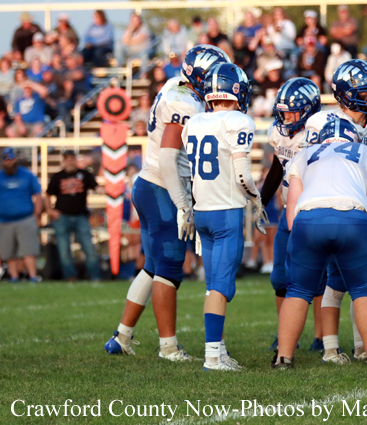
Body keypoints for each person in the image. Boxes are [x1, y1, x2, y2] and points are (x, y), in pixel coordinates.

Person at [103, 44, 229, 359]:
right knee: (169, 268)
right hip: (162, 187)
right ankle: (168, 347)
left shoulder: (175, 86)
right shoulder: (184, 103)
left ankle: (122, 337)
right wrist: (183, 203)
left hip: (148, 184)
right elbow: (170, 158)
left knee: (153, 266)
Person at [274, 117, 367, 368]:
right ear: (354, 138)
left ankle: (283, 357)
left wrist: (297, 237)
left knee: (298, 290)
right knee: (364, 289)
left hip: (308, 219)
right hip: (353, 218)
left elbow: (291, 206)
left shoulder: (303, 155)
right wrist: (366, 238)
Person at [182, 62, 262, 371]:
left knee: (214, 285)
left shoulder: (194, 121)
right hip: (226, 212)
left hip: (202, 211)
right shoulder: (239, 121)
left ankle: (219, 350)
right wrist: (256, 199)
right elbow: (242, 174)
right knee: (221, 287)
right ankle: (213, 357)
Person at [258, 77, 321, 351]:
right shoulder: (279, 132)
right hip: (288, 211)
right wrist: (261, 201)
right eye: (282, 112)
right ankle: (286, 335)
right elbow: (277, 167)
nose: (286, 118)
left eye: (292, 112)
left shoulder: (319, 131)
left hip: (313, 211)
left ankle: (322, 337)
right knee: (279, 276)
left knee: (318, 276)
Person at [44, 150, 101, 282]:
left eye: (72, 159)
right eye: (67, 159)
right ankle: (70, 276)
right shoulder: (58, 176)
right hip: (62, 217)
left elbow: (97, 188)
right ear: (63, 161)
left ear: (75, 160)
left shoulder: (84, 174)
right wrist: (50, 210)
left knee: (88, 247)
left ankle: (95, 276)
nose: (70, 162)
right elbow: (48, 194)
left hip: (81, 216)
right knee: (64, 250)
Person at [0, 148, 43, 282]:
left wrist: (37, 214)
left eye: (11, 159)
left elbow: (38, 195)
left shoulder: (27, 175)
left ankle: (33, 275)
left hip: (25, 218)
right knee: (8, 251)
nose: (9, 162)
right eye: (6, 160)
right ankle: (14, 277)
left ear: (15, 160)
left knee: (29, 250)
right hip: (4, 220)